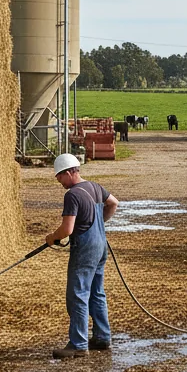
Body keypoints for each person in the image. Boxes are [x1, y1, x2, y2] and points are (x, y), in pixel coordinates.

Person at [46, 153, 119, 359]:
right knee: (97, 292)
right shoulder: (95, 187)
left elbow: (67, 229)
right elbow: (113, 203)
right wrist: (99, 224)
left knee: (78, 295)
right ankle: (103, 337)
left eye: (60, 176)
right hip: (100, 245)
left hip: (85, 248)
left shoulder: (72, 195)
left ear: (69, 172)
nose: (59, 181)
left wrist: (52, 237)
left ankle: (78, 344)